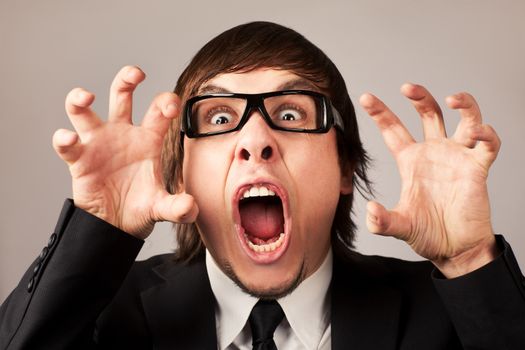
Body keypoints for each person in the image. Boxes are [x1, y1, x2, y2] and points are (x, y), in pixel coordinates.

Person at [1, 21, 524, 349]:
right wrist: (97, 232)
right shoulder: (99, 313)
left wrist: (469, 260)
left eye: (291, 114)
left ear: (346, 166)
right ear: (179, 172)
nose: (256, 139)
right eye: (220, 117)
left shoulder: (448, 314)